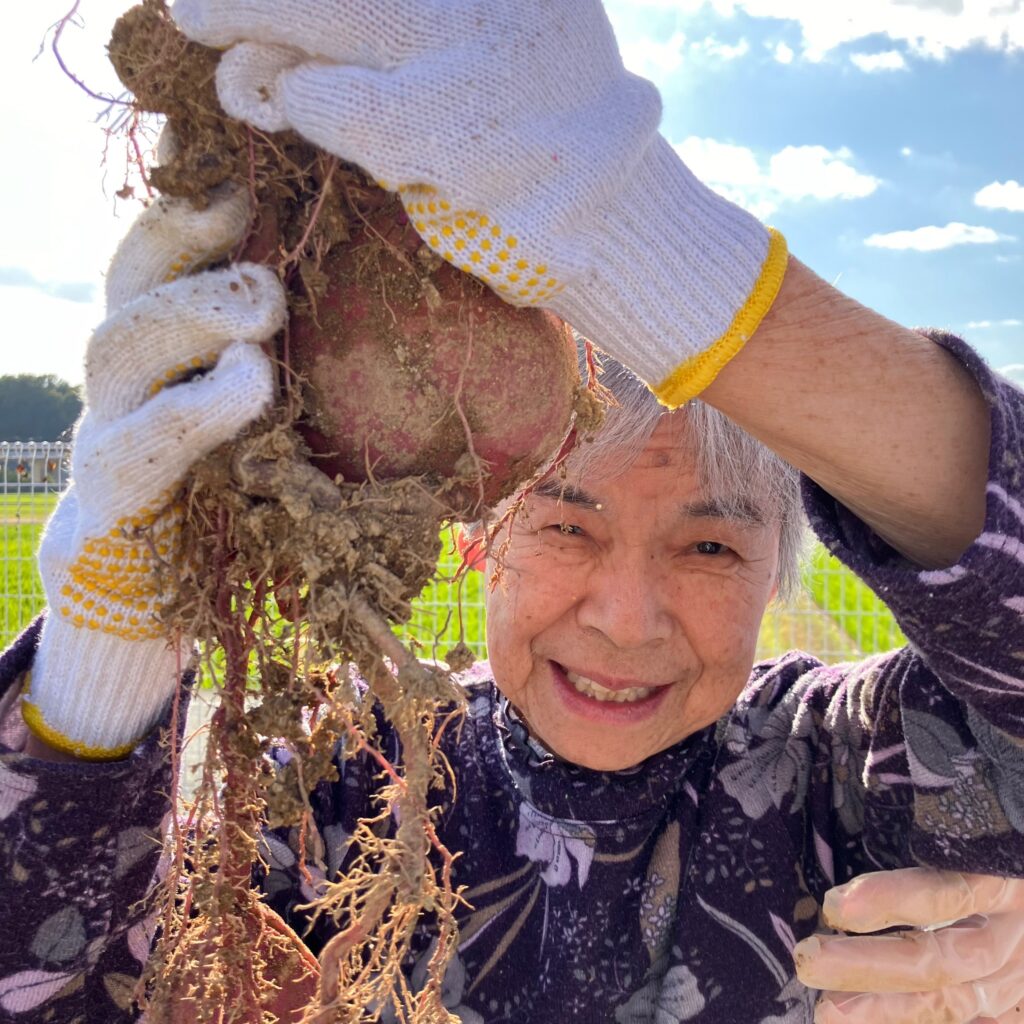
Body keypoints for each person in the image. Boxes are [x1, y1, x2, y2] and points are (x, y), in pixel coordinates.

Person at [2, 0, 1024, 1021]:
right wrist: (102, 665)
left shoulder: (835, 775)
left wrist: (675, 258)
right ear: (483, 540)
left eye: (710, 543)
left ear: (779, 566)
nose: (625, 619)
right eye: (567, 526)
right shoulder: (329, 792)